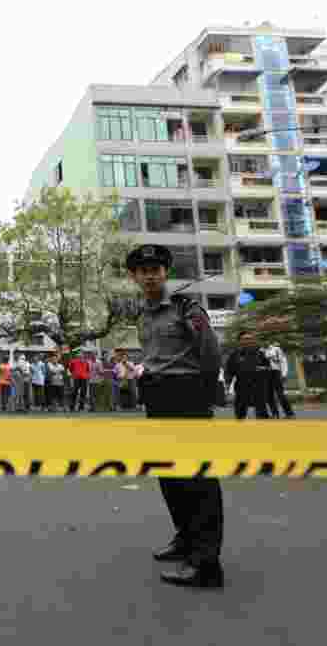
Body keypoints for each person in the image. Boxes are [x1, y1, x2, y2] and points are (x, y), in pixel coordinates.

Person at [126, 244, 224, 589]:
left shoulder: (187, 308)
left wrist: (207, 394)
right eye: (143, 270)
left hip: (187, 397)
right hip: (158, 396)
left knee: (197, 480)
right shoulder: (143, 313)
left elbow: (210, 352)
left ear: (165, 272)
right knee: (170, 477)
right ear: (134, 276)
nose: (150, 274)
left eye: (156, 268)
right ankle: (185, 539)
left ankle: (207, 563)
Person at [224, 331, 271, 420]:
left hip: (258, 387)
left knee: (262, 412)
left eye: (251, 339)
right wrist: (227, 386)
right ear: (240, 341)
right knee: (240, 413)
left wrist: (263, 369)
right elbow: (229, 371)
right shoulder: (235, 354)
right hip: (241, 386)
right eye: (246, 339)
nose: (249, 341)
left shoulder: (260, 353)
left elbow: (268, 367)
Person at [263, 343, 295, 418]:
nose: (264, 342)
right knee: (268, 395)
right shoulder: (260, 350)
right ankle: (275, 414)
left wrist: (284, 374)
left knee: (281, 395)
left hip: (275, 372)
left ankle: (290, 414)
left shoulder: (276, 349)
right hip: (265, 373)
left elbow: (283, 361)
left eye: (265, 340)